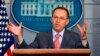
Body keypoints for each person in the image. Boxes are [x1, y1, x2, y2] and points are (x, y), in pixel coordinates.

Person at [7, 7, 89, 48]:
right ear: (51, 19)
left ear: (67, 21)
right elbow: (28, 53)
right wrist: (19, 36)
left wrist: (84, 39)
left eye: (61, 18)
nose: (58, 21)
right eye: (55, 17)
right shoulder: (41, 36)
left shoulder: (74, 37)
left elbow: (85, 54)